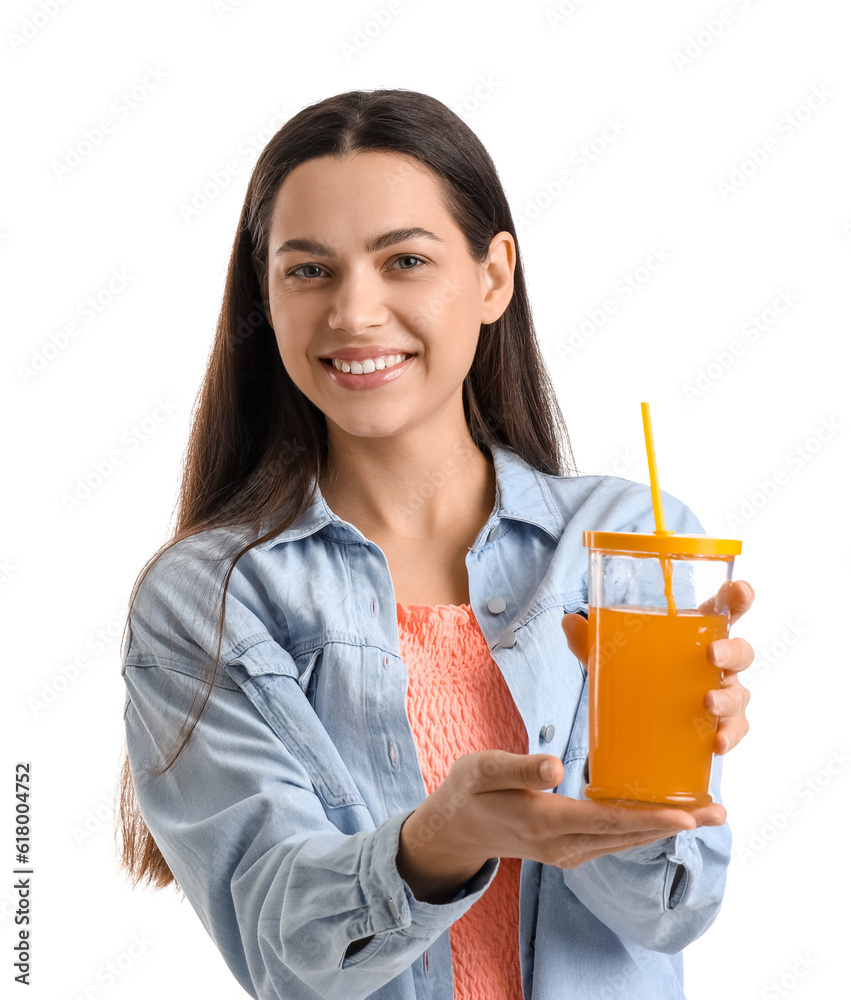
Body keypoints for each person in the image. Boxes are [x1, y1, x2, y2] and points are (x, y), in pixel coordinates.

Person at [117, 88, 754, 1000]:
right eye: (309, 271)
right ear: (265, 295)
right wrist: (440, 840)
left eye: (404, 260)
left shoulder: (631, 546)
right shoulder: (208, 598)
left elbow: (668, 910)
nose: (355, 313)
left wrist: (659, 791)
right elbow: (282, 955)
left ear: (494, 277)